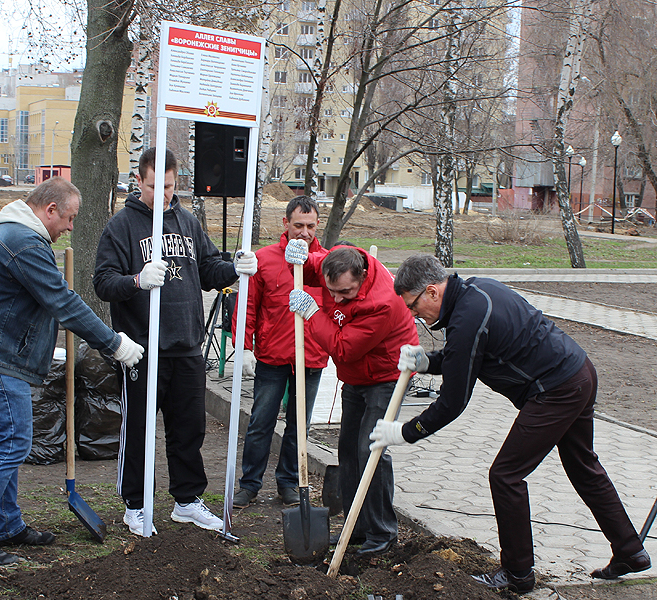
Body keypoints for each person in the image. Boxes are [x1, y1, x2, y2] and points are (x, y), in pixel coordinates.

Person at [371, 253, 650, 592]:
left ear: (432, 291)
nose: (414, 315)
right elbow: (466, 355)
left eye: (413, 306)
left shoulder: (467, 317)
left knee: (506, 476)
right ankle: (630, 551)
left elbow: (453, 401)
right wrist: (427, 362)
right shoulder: (477, 291)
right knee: (582, 466)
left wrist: (406, 432)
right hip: (578, 372)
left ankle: (517, 574)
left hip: (556, 390)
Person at [0, 177, 144, 566]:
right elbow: (63, 303)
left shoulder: (15, 232)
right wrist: (114, 343)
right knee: (12, 441)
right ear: (50, 209)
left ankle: (6, 524)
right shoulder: (22, 241)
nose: (70, 227)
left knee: (9, 438)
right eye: (69, 218)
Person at [93, 148, 258, 536]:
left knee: (188, 429)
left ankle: (186, 501)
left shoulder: (187, 221)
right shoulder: (121, 227)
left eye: (169, 186)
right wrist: (136, 280)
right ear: (139, 182)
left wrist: (235, 268)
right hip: (142, 350)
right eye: (155, 187)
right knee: (139, 430)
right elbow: (102, 282)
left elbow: (206, 269)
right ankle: (136, 504)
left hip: (186, 345)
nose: (163, 194)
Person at [285, 239, 418, 555]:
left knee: (370, 450)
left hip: (387, 377)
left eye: (344, 293)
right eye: (332, 292)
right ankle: (356, 528)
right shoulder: (337, 264)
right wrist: (299, 259)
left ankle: (383, 533)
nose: (336, 299)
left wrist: (313, 313)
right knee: (348, 448)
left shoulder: (382, 302)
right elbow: (310, 266)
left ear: (360, 277)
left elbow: (342, 347)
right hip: (357, 376)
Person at [231, 196, 329, 508]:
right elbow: (247, 306)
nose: (304, 232)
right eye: (298, 225)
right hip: (272, 358)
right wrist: (244, 347)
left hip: (310, 358)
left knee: (300, 425)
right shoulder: (265, 260)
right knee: (261, 421)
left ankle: (289, 482)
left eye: (310, 226)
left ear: (317, 226)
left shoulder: (327, 264)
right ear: (285, 224)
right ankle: (250, 484)